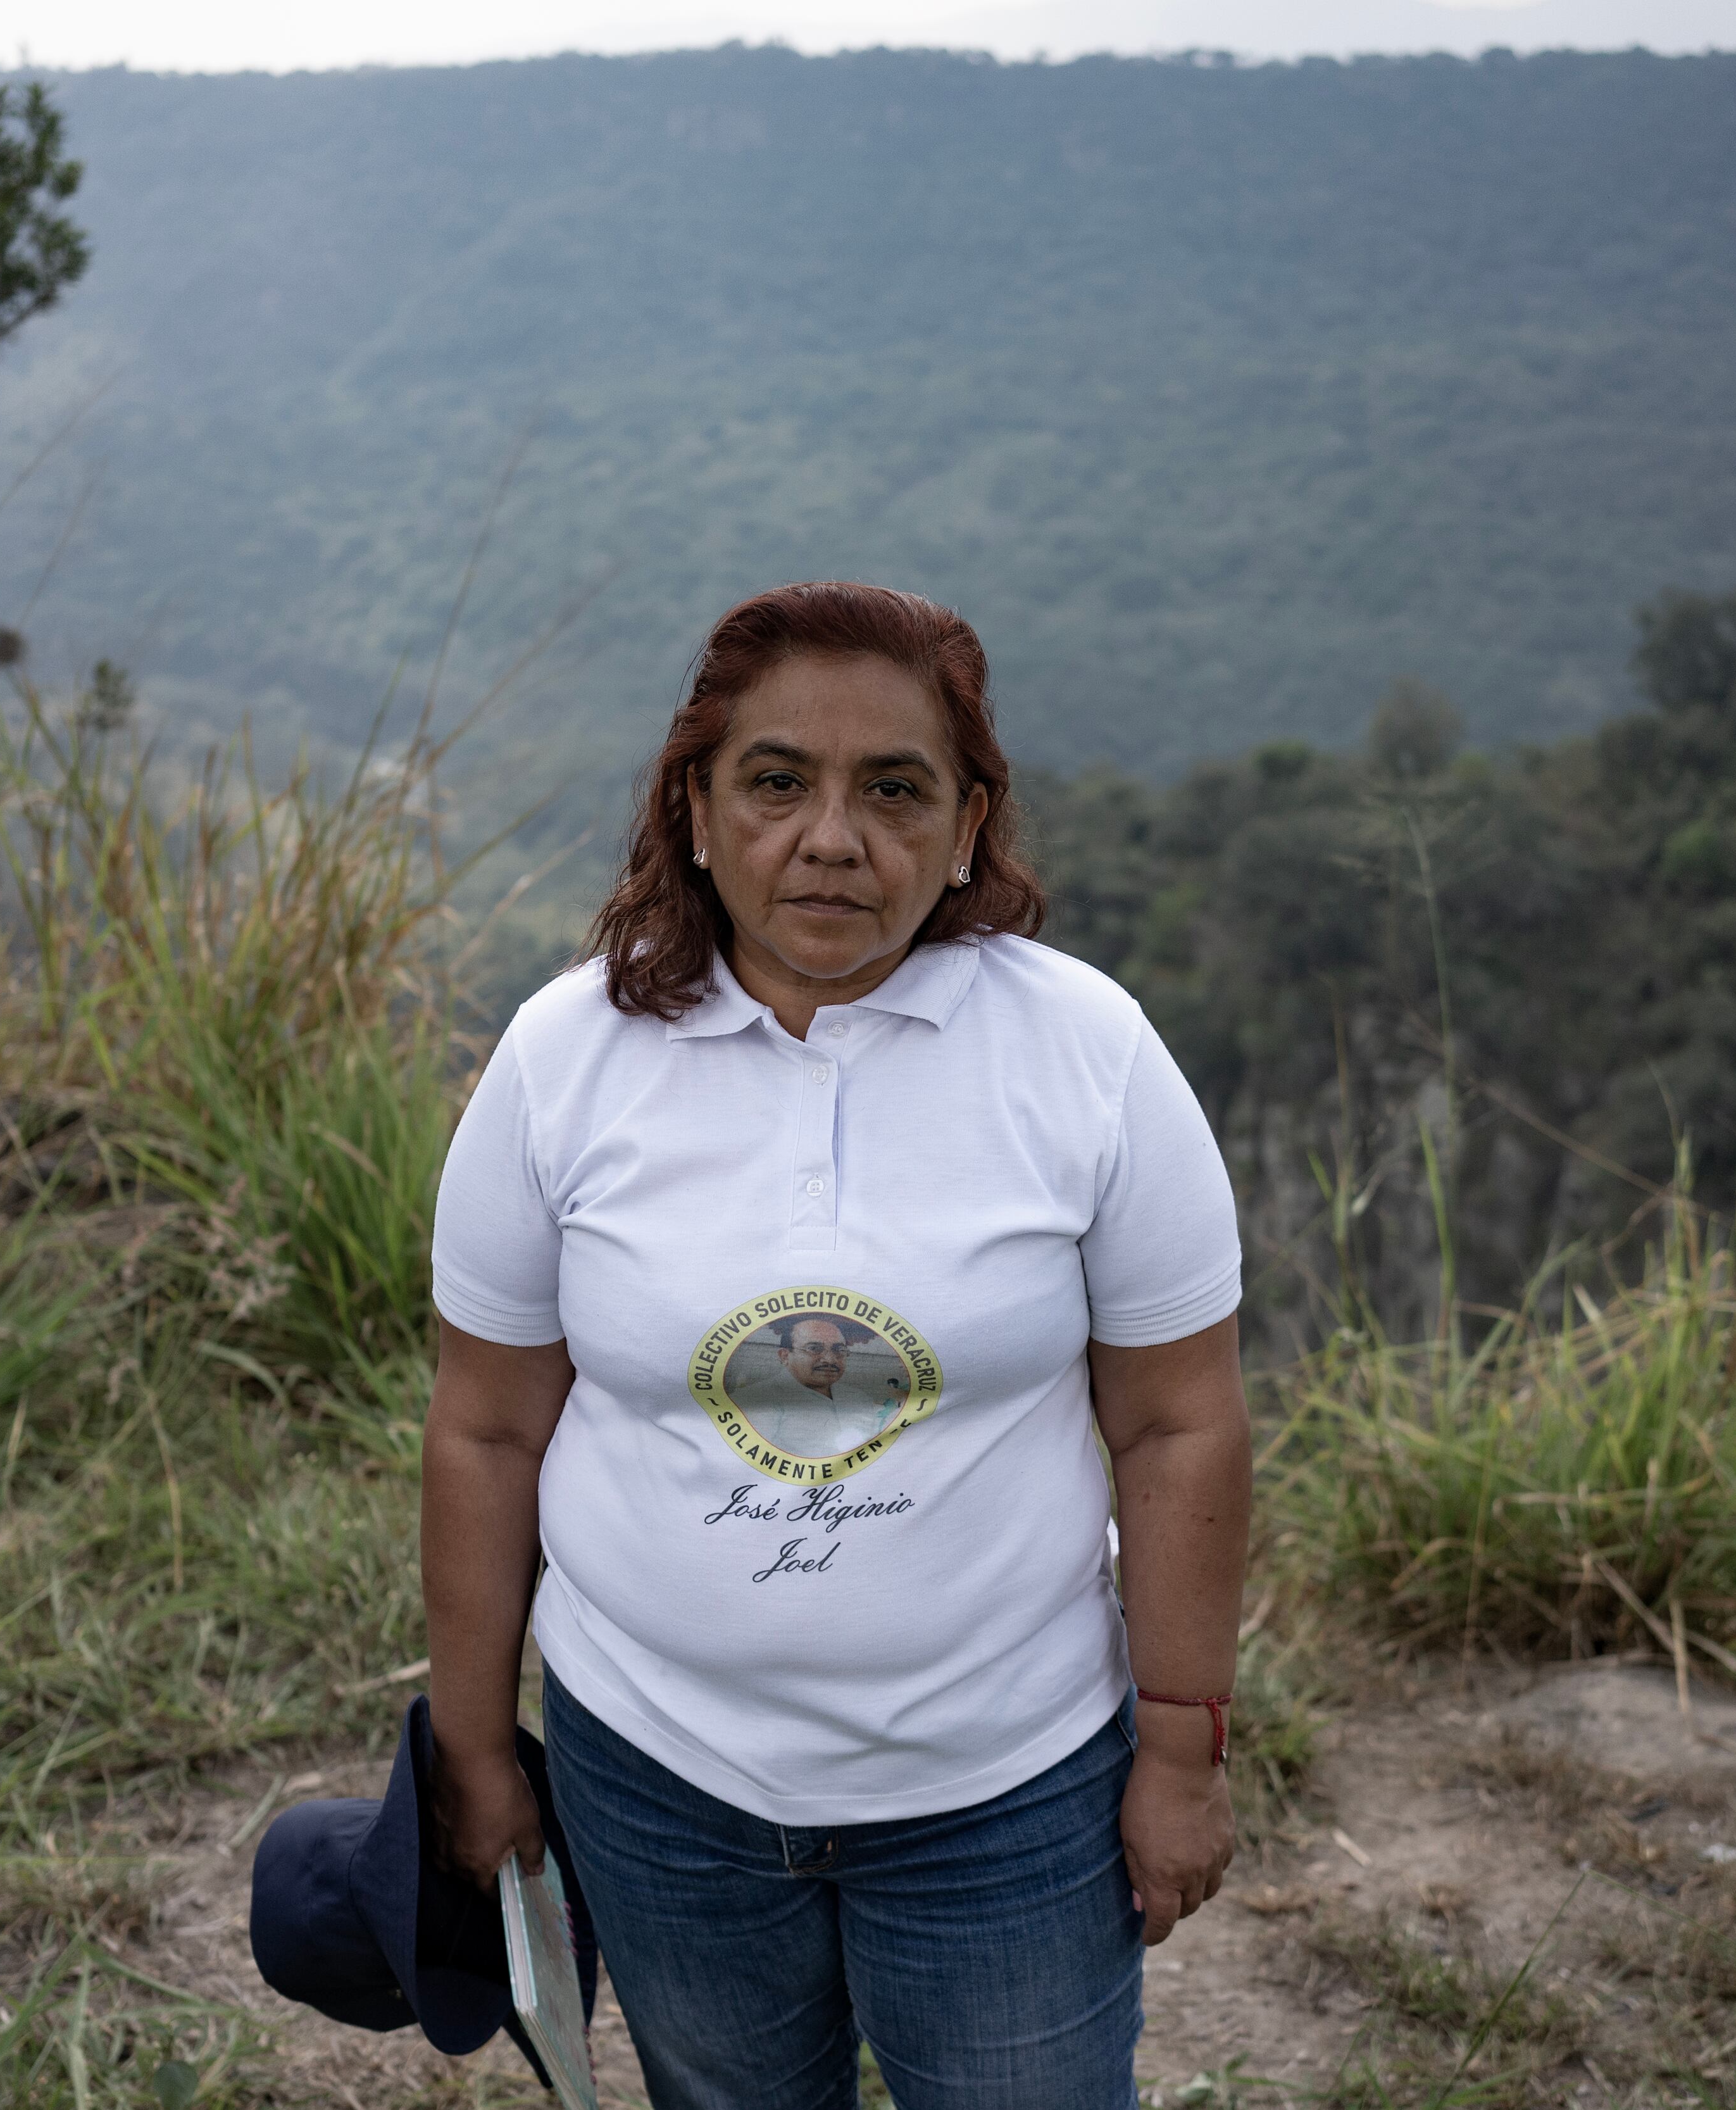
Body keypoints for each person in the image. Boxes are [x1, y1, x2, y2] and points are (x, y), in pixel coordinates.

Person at [423, 581, 1250, 2110]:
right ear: (693, 809)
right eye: (776, 781)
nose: (830, 838)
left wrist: (1181, 1755)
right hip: (659, 1779)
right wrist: (476, 1743)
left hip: (1008, 1792)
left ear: (965, 825)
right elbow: (486, 1428)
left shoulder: (1087, 1059)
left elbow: (1177, 1422)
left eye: (893, 791)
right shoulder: (563, 1065)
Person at [726, 1314, 895, 1459]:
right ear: (785, 1356)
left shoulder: (858, 1398)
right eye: (814, 1349)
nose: (830, 1359)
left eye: (839, 1350)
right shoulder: (754, 1400)